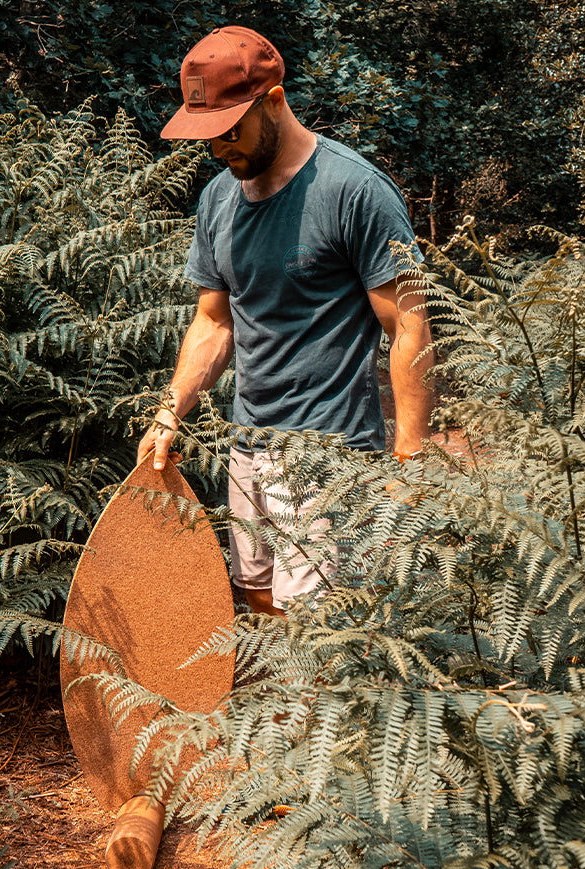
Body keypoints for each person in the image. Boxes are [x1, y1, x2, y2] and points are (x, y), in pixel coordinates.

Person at [137, 25, 434, 616]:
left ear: (273, 101)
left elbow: (410, 326)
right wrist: (171, 410)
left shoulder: (354, 191)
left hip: (328, 453)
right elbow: (214, 323)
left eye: (229, 131)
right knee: (257, 600)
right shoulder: (219, 199)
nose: (218, 150)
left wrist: (410, 459)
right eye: (207, 136)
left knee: (314, 628)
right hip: (247, 442)